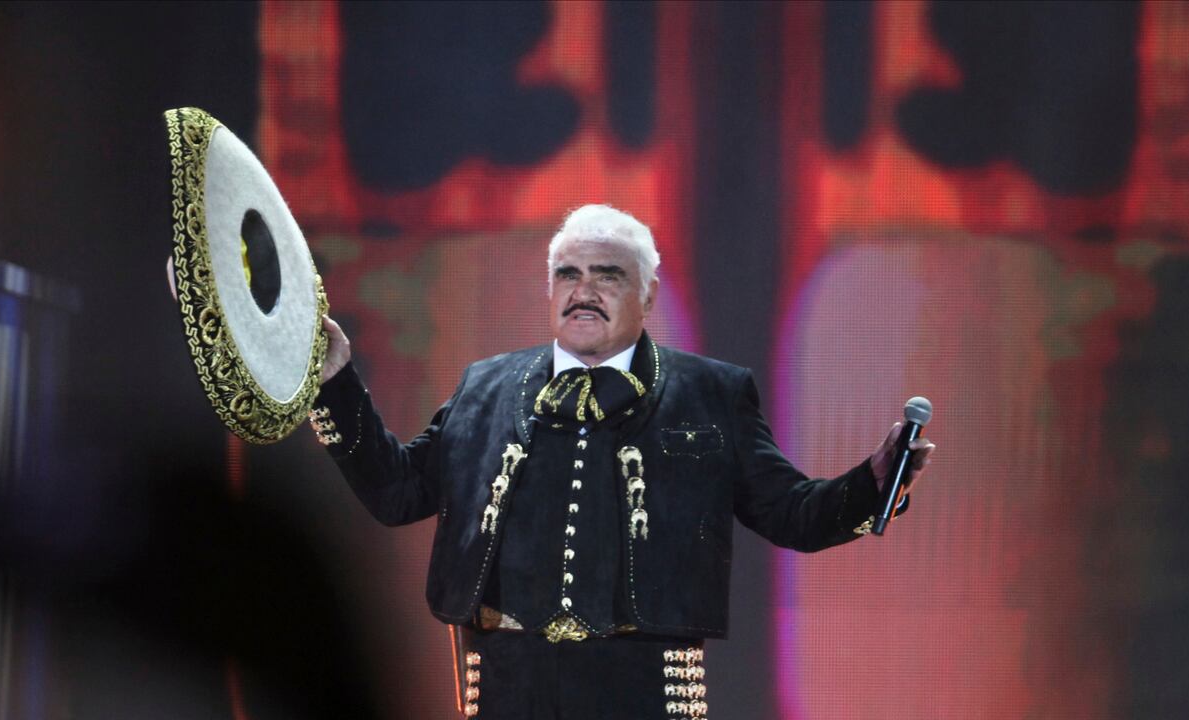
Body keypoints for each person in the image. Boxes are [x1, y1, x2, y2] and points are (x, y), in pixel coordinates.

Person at [309, 204, 935, 720]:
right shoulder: (486, 386)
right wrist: (334, 383)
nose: (583, 292)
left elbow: (792, 514)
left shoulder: (711, 392)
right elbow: (397, 493)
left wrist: (873, 485)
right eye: (567, 274)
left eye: (607, 275)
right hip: (507, 688)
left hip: (641, 692)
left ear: (647, 293)